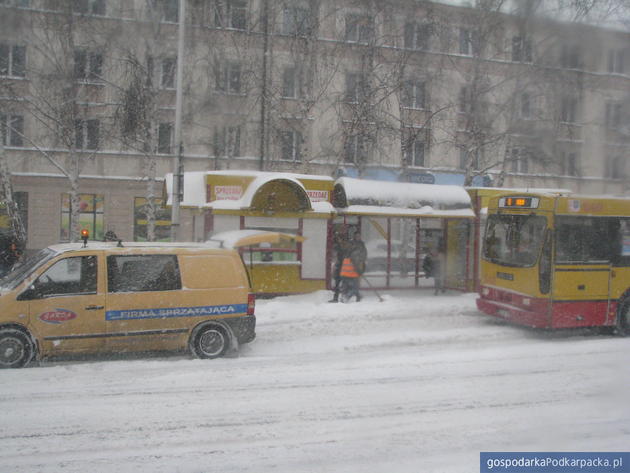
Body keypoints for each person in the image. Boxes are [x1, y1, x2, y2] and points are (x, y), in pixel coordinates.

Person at [341, 231, 367, 302]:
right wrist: (359, 270)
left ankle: (356, 297)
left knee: (349, 286)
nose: (358, 237)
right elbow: (355, 259)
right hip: (352, 270)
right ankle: (346, 297)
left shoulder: (361, 244)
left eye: (359, 236)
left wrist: (362, 267)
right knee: (354, 287)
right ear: (354, 236)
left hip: (349, 270)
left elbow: (363, 256)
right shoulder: (353, 245)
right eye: (357, 236)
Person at [329, 232, 348, 303]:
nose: (338, 240)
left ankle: (341, 298)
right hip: (340, 267)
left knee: (343, 283)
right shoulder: (338, 246)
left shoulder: (344, 247)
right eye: (338, 239)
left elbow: (342, 257)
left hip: (344, 267)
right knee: (338, 283)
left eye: (339, 239)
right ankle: (337, 298)